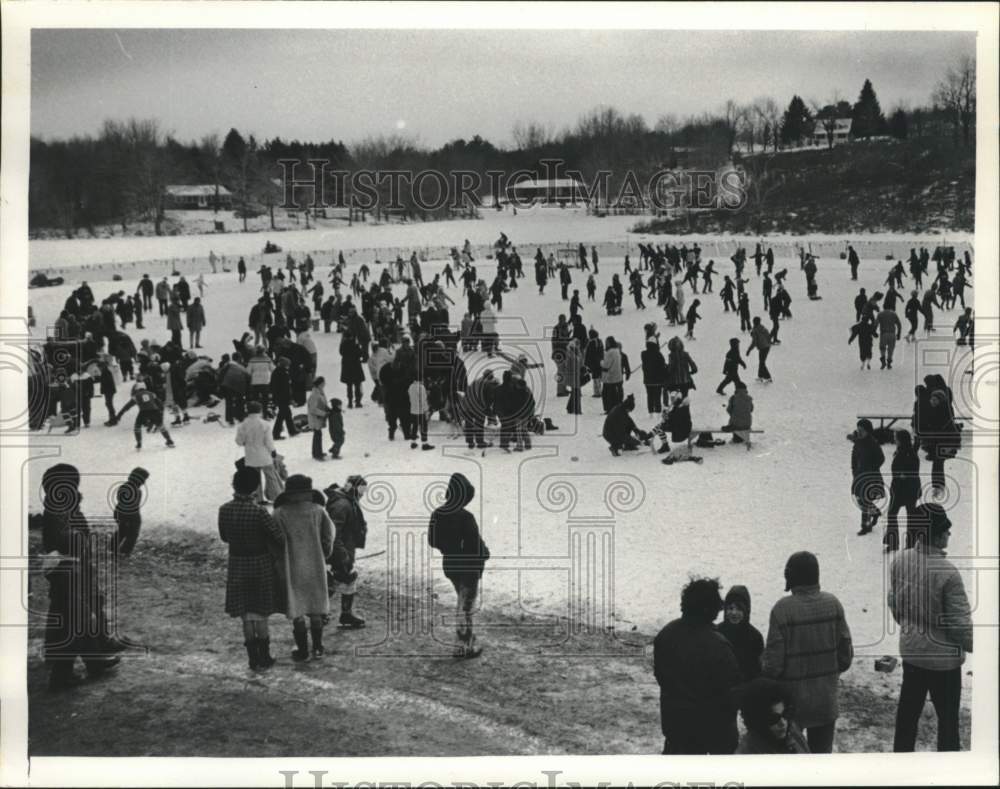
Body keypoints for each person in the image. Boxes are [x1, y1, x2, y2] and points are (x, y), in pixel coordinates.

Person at [888, 504, 972, 752]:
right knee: (948, 723)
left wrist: (911, 628)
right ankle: (947, 770)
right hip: (944, 663)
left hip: (913, 654)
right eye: (946, 530)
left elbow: (896, 605)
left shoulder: (900, 560)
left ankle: (900, 767)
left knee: (907, 717)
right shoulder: (948, 573)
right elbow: (959, 625)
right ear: (935, 534)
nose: (949, 534)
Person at [40, 463, 127, 690]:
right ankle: (69, 672)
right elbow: (63, 537)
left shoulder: (64, 504)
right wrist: (80, 535)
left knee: (77, 613)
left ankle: (93, 661)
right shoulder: (59, 507)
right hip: (68, 569)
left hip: (73, 568)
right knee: (76, 618)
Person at [762, 551, 853, 753]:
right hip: (825, 702)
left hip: (793, 705)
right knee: (821, 766)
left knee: (793, 765)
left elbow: (773, 666)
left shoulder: (782, 610)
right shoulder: (834, 604)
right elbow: (845, 657)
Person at [652, 577, 741, 755]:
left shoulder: (666, 634)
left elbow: (661, 676)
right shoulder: (719, 646)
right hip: (710, 732)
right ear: (713, 609)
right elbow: (731, 693)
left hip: (675, 727)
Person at [218, 466, 285, 671]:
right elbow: (279, 538)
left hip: (237, 563)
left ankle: (252, 658)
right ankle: (264, 656)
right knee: (260, 612)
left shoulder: (224, 509)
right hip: (260, 564)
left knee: (246, 613)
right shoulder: (259, 511)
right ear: (254, 488)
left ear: (234, 485)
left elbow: (224, 537)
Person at [428, 472, 490, 659]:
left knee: (462, 601)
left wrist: (449, 548)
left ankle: (466, 637)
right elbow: (474, 543)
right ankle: (463, 645)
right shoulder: (466, 517)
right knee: (466, 605)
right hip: (468, 567)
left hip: (451, 565)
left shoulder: (438, 513)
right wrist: (484, 553)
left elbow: (432, 540)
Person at [272, 474, 333, 661]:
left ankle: (302, 648)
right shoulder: (318, 510)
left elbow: (275, 541)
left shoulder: (279, 513)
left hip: (291, 565)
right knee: (316, 606)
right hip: (314, 564)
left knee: (296, 607)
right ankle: (318, 647)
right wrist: (325, 555)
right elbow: (328, 537)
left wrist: (278, 561)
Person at [324, 474, 369, 628]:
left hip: (343, 550)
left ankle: (330, 613)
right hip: (340, 552)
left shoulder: (347, 501)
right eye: (361, 493)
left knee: (343, 579)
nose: (362, 496)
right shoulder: (343, 505)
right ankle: (332, 613)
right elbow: (333, 533)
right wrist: (342, 554)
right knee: (342, 578)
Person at [734, 678, 810, 754]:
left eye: (786, 714)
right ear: (758, 721)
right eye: (774, 719)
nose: (783, 723)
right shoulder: (747, 754)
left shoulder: (793, 732)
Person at [235, 401, 280, 503]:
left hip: (250, 456)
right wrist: (273, 451)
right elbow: (269, 441)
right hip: (264, 455)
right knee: (271, 477)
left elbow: (239, 441)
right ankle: (276, 496)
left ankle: (257, 499)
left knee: (254, 478)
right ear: (259, 411)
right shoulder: (265, 424)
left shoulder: (242, 425)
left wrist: (246, 442)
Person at [717, 585, 764, 682]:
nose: (734, 613)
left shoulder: (755, 637)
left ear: (746, 611)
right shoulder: (717, 633)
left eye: (739, 609)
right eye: (730, 608)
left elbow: (758, 670)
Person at [848, 418, 886, 535]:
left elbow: (881, 458)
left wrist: (871, 468)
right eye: (858, 429)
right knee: (860, 499)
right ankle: (875, 513)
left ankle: (866, 526)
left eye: (862, 430)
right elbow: (854, 457)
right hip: (859, 475)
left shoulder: (873, 443)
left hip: (870, 477)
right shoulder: (858, 442)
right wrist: (854, 470)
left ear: (868, 431)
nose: (859, 432)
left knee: (865, 499)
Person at [112, 381, 175, 450]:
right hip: (155, 411)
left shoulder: (136, 396)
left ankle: (139, 444)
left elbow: (127, 407)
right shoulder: (152, 394)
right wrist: (160, 415)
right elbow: (160, 404)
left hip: (143, 412)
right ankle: (169, 441)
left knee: (137, 426)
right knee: (161, 426)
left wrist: (119, 415)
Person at [114, 466, 150, 556]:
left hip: (123, 513)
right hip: (130, 515)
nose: (144, 482)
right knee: (132, 534)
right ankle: (124, 551)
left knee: (122, 531)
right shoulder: (134, 490)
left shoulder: (126, 487)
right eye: (143, 479)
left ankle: (113, 547)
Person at [270, 357, 297, 440]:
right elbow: (286, 388)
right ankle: (276, 433)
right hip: (283, 397)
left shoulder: (277, 371)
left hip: (279, 397)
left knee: (287, 414)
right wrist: (290, 398)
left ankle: (292, 430)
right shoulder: (283, 373)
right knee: (282, 416)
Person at [307, 377, 330, 460]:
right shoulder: (315, 395)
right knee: (317, 435)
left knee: (318, 435)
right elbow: (313, 409)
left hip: (318, 418)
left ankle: (317, 452)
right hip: (315, 418)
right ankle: (317, 453)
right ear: (320, 384)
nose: (324, 384)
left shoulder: (319, 392)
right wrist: (324, 413)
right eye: (323, 383)